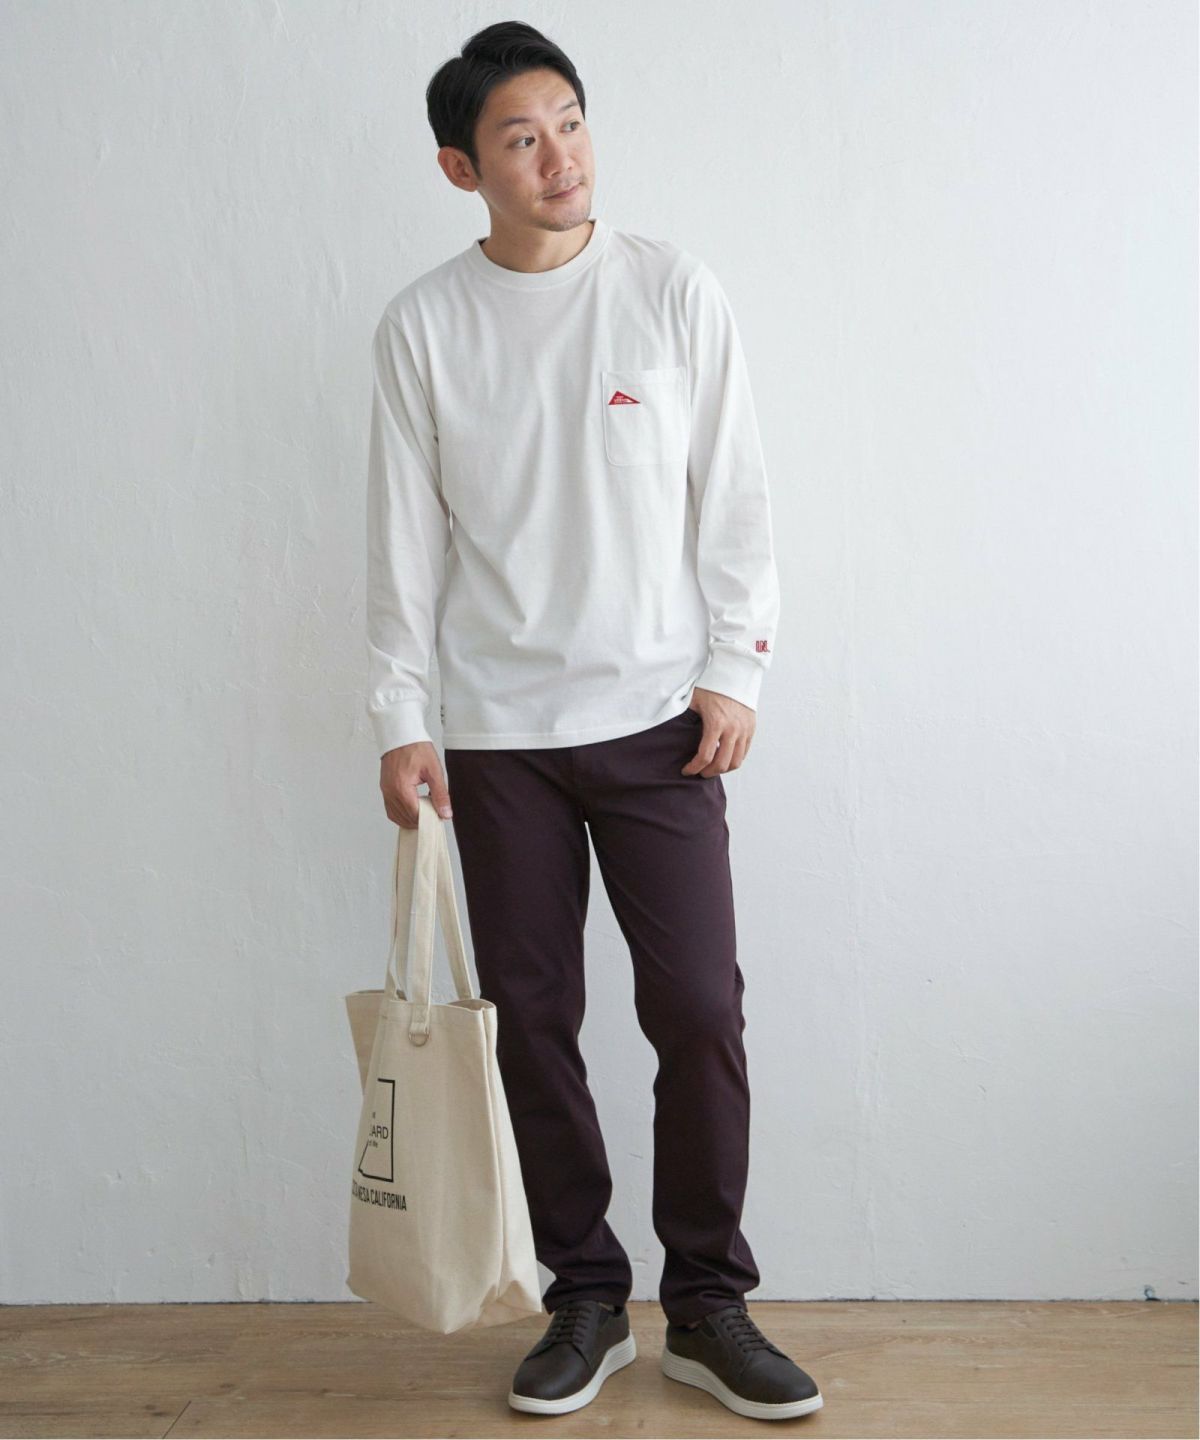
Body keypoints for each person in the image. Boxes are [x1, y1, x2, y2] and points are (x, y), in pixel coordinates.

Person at [364, 19, 823, 1423]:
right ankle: (585, 1296)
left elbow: (734, 495)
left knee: (699, 1010)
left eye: (568, 121)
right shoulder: (424, 326)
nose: (559, 155)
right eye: (521, 136)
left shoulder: (672, 290)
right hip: (497, 735)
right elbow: (402, 539)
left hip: (660, 724)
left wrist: (737, 669)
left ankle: (709, 1304)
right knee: (532, 1022)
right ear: (462, 168)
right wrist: (400, 713)